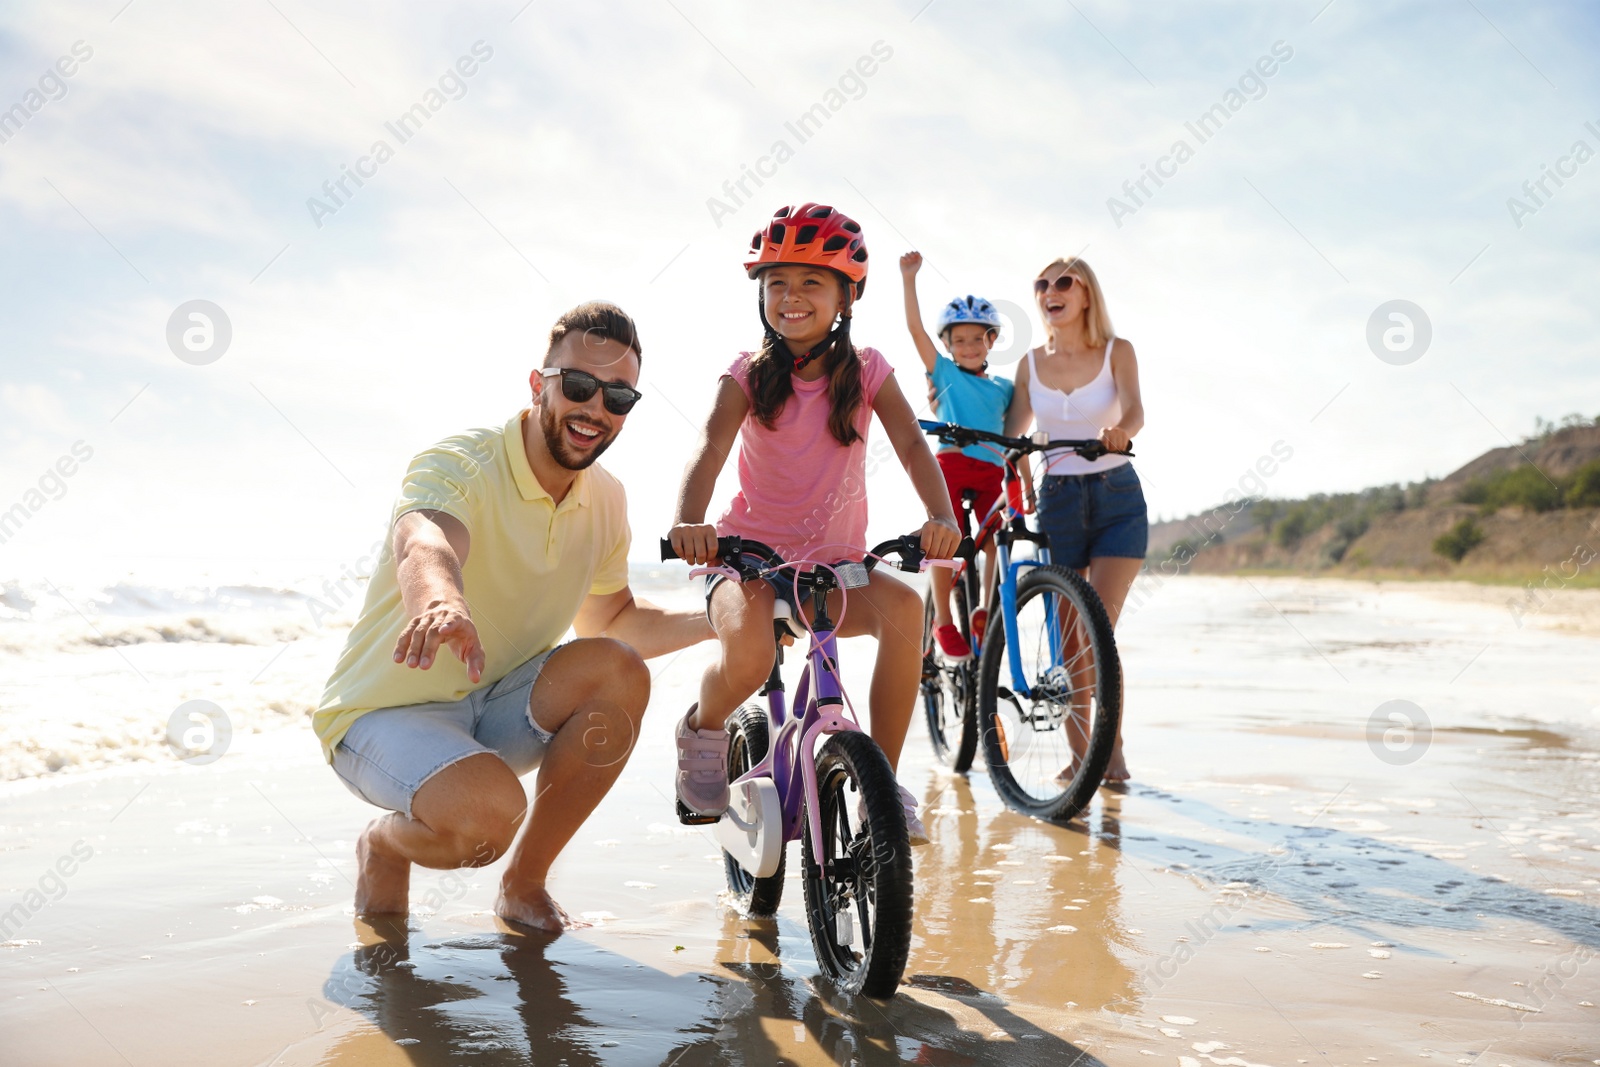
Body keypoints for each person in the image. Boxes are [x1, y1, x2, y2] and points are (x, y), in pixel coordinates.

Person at [313, 302, 712, 932]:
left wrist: (720, 618)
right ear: (538, 385)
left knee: (619, 669)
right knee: (484, 823)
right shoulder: (462, 461)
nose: (595, 409)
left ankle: (524, 886)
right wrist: (441, 600)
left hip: (492, 707)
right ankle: (384, 843)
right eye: (578, 386)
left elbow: (614, 620)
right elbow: (425, 540)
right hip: (381, 716)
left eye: (618, 397)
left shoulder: (607, 498)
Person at [668, 202, 962, 844]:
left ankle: (880, 782)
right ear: (761, 295)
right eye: (777, 283)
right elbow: (710, 449)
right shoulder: (746, 373)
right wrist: (690, 519)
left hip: (833, 570)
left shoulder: (869, 371)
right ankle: (705, 725)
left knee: (906, 611)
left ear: (846, 296)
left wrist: (940, 515)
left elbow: (913, 446)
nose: (791, 296)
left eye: (810, 283)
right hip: (745, 561)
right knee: (746, 660)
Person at [1004, 256, 1146, 784]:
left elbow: (1134, 410)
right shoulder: (1030, 363)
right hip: (1058, 498)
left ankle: (1111, 755)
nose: (1049, 291)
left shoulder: (1117, 351)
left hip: (1117, 497)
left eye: (1063, 282)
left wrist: (1120, 433)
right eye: (1041, 283)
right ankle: (1083, 756)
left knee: (1098, 633)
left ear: (1086, 294)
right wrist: (1017, 474)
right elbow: (1014, 432)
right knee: (1068, 639)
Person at [899, 250, 1014, 662]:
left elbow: (1020, 424)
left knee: (997, 537)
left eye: (977, 339)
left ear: (992, 341)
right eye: (959, 340)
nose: (968, 346)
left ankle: (983, 608)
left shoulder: (1004, 387)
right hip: (949, 463)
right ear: (948, 344)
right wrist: (908, 277)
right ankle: (943, 620)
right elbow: (915, 331)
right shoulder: (943, 372)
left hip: (990, 470)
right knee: (946, 541)